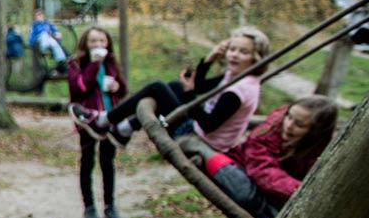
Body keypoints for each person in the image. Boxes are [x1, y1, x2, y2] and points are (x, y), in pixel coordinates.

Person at [71, 26, 271, 150]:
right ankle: (125, 128)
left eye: (243, 52)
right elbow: (200, 84)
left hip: (198, 138)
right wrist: (210, 59)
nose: (234, 55)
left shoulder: (240, 90)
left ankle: (107, 120)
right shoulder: (238, 76)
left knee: (158, 87)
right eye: (232, 49)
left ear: (256, 58)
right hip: (202, 131)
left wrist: (190, 93)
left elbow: (208, 124)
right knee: (175, 86)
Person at [187, 96, 338, 218]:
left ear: (316, 131)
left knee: (272, 207)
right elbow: (263, 170)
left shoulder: (320, 147)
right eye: (289, 116)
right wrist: (302, 190)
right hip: (240, 169)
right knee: (246, 195)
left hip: (272, 189)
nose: (289, 125)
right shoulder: (268, 132)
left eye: (298, 124)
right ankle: (204, 152)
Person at [67, 26, 128, 218]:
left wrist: (117, 87)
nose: (98, 45)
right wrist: (93, 65)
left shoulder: (111, 64)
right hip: (88, 120)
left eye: (102, 41)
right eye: (93, 41)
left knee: (107, 162)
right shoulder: (76, 64)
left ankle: (110, 205)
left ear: (108, 43)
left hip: (110, 117)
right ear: (85, 43)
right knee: (87, 161)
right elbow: (80, 88)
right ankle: (89, 206)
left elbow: (124, 89)